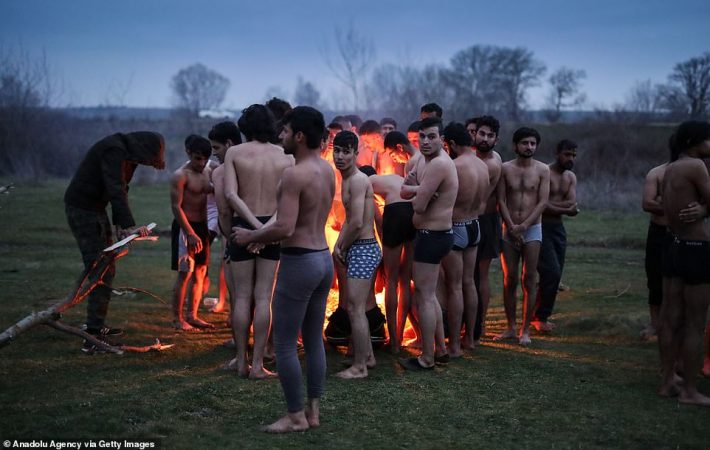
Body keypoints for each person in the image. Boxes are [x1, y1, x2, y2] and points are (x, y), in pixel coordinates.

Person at [232, 106, 335, 432]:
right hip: (323, 259)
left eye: (286, 131)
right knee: (314, 339)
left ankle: (295, 417)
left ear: (299, 136)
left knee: (286, 343)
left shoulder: (294, 174)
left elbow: (285, 227)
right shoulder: (326, 170)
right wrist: (263, 234)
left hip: (300, 262)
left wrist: (251, 236)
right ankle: (313, 412)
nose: (280, 136)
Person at [65, 131, 164, 352]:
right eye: (146, 160)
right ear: (142, 149)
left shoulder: (128, 154)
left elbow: (122, 187)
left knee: (106, 267)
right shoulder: (114, 150)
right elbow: (115, 188)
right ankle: (92, 337)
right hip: (83, 210)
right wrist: (128, 226)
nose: (144, 164)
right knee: (101, 269)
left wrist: (120, 223)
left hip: (95, 209)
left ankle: (96, 326)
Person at [223, 104, 293, 379]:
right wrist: (264, 230)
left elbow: (231, 195)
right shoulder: (285, 155)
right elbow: (286, 200)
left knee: (242, 296)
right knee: (264, 297)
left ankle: (241, 362)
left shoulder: (234, 153)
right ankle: (257, 365)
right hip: (271, 226)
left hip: (243, 223)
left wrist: (252, 228)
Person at [398, 117, 458, 370]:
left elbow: (419, 206)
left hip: (434, 236)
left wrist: (419, 193)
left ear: (442, 140)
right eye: (422, 136)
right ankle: (440, 351)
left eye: (431, 136)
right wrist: (421, 189)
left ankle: (427, 358)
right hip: (429, 235)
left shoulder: (439, 164)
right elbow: (404, 190)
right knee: (429, 296)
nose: (425, 141)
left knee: (424, 297)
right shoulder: (423, 160)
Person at [659, 120, 710, 406]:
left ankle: (668, 382)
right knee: (694, 322)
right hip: (695, 247)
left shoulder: (671, 167)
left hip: (674, 245)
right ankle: (690, 391)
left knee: (670, 317)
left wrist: (702, 208)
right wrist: (704, 209)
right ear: (694, 141)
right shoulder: (696, 165)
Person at [332, 131, 381, 379]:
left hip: (364, 248)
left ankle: (360, 367)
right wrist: (339, 245)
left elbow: (358, 222)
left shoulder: (359, 180)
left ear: (355, 153)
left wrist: (342, 246)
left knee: (355, 308)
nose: (340, 156)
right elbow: (349, 220)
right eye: (337, 151)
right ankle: (368, 357)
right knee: (355, 306)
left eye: (346, 152)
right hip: (357, 247)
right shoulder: (348, 179)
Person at [497, 127, 550, 346]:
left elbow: (543, 201)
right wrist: (511, 226)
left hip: (532, 228)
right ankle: (511, 327)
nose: (529, 147)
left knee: (529, 278)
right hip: (509, 228)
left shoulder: (543, 170)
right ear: (515, 145)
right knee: (509, 278)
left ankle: (525, 329)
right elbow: (500, 200)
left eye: (532, 143)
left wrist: (524, 226)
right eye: (525, 143)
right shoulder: (505, 168)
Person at [440, 122, 489, 354]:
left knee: (455, 287)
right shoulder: (483, 166)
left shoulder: (454, 166)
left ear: (451, 143)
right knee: (469, 282)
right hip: (475, 225)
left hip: (456, 227)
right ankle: (470, 338)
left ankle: (454, 345)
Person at [532, 139, 579, 332]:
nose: (571, 158)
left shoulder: (570, 177)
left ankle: (540, 315)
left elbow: (571, 203)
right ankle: (539, 317)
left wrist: (553, 206)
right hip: (540, 226)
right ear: (556, 153)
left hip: (558, 228)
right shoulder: (545, 172)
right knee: (551, 272)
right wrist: (564, 209)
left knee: (556, 273)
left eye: (573, 155)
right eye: (567, 154)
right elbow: (541, 205)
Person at [170, 135, 214, 332]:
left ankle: (192, 316)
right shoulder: (180, 175)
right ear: (188, 152)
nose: (201, 163)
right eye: (197, 158)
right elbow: (176, 207)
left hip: (202, 227)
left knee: (201, 271)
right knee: (185, 273)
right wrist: (189, 233)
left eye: (205, 158)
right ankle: (177, 319)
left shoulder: (208, 170)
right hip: (185, 228)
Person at [472, 115, 503, 342]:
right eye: (481, 133)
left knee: (480, 274)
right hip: (473, 218)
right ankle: (469, 323)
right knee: (468, 274)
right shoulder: (472, 157)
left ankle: (480, 324)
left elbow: (479, 199)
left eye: (490, 135)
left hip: (485, 220)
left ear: (496, 139)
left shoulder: (491, 163)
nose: (485, 138)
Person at [207, 121, 243, 317]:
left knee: (238, 294)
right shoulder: (255, 163)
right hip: (260, 231)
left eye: (216, 147)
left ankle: (238, 331)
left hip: (234, 232)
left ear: (229, 143)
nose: (213, 153)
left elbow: (224, 211)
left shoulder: (221, 172)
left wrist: (229, 240)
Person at [640, 160, 669, 340]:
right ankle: (655, 324)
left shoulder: (697, 171)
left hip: (685, 233)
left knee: (681, 281)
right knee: (655, 278)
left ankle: (673, 324)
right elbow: (648, 203)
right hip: (659, 232)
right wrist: (674, 207)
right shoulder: (657, 173)